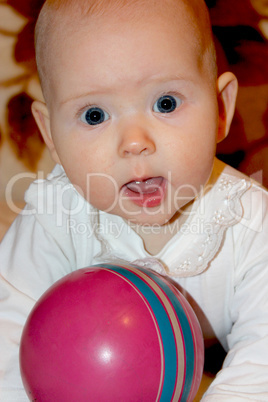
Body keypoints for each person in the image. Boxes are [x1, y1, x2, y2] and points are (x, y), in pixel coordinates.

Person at [1, 0, 268, 400]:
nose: (134, 142)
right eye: (94, 115)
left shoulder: (249, 220)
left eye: (166, 103)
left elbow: (261, 359)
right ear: (51, 136)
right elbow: (11, 330)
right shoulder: (55, 213)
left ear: (220, 110)